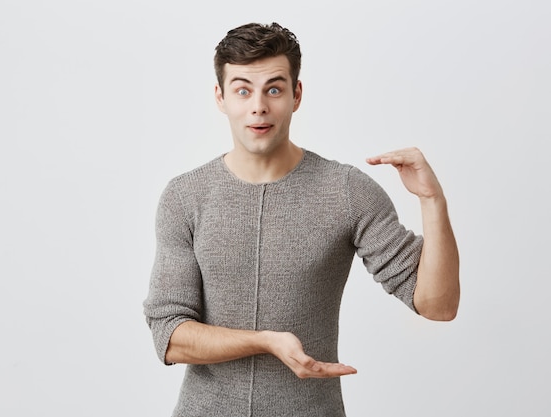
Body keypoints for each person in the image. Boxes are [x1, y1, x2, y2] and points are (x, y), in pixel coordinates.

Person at [143, 22, 460, 417]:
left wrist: (432, 201)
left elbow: (438, 304)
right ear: (221, 97)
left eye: (273, 89)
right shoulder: (185, 196)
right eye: (243, 90)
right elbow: (169, 335)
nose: (258, 105)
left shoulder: (346, 191)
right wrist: (265, 341)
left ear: (296, 95)